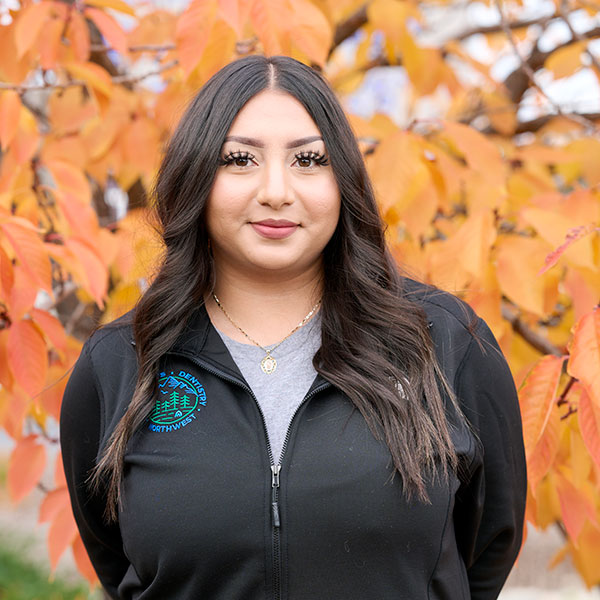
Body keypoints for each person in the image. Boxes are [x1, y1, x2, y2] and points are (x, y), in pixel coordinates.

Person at [60, 55, 526, 600]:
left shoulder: (444, 343)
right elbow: (119, 561)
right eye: (239, 159)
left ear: (343, 179)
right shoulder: (120, 362)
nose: (277, 190)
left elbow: (489, 545)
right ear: (196, 176)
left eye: (308, 160)